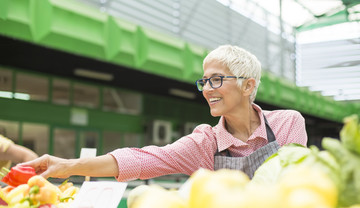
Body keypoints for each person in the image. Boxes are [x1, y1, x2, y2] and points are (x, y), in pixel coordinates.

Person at [20, 45, 307, 180]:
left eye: (217, 79)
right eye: (204, 81)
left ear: (248, 86)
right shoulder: (205, 143)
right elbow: (143, 159)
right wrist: (69, 166)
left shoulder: (288, 124)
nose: (207, 88)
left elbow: (298, 183)